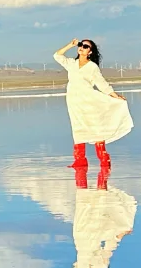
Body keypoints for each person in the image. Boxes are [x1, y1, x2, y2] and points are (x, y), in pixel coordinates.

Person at [53, 37, 132, 170]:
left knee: (95, 126)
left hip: (89, 99)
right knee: (77, 127)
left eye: (85, 46)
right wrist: (70, 45)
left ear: (90, 52)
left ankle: (104, 158)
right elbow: (57, 55)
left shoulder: (92, 67)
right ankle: (80, 161)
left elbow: (102, 84)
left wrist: (115, 96)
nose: (81, 47)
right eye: (80, 45)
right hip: (73, 100)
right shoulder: (71, 63)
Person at [64, 169, 137, 268]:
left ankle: (80, 166)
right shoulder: (102, 264)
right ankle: (104, 169)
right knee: (99, 205)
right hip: (93, 234)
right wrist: (123, 233)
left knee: (82, 201)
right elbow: (110, 246)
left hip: (79, 234)